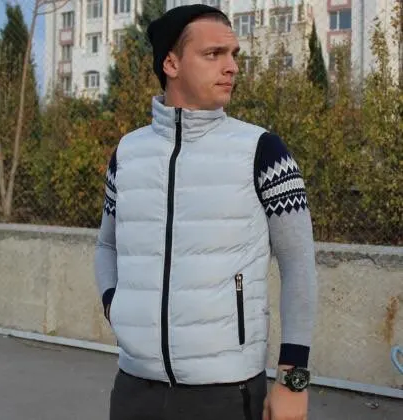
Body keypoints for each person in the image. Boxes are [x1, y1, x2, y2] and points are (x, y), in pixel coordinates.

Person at [94, 4, 317, 420]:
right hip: (134, 389)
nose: (231, 67)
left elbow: (299, 264)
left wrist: (293, 380)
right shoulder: (127, 153)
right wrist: (115, 305)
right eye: (213, 54)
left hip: (227, 393)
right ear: (171, 63)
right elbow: (106, 245)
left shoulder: (263, 151)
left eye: (233, 54)